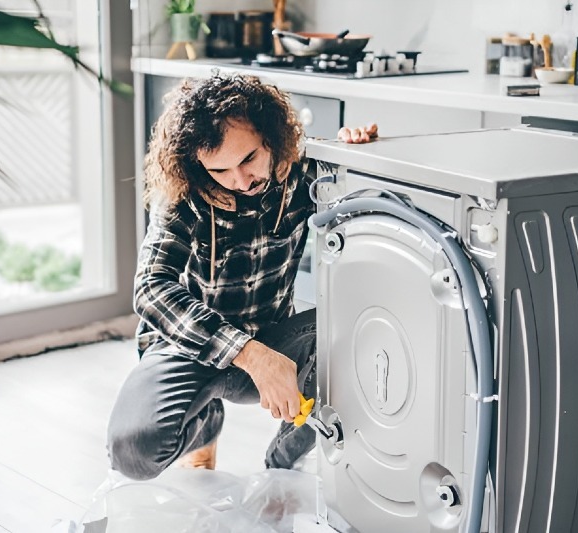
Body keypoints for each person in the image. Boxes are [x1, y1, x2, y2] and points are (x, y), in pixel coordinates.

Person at [107, 73, 377, 480]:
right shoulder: (184, 195)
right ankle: (205, 424)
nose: (240, 180)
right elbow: (150, 289)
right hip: (192, 349)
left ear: (272, 137)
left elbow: (363, 199)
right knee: (134, 452)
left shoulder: (301, 173)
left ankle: (280, 472)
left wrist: (355, 156)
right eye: (220, 170)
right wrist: (250, 354)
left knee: (349, 331)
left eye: (249, 158)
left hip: (275, 339)